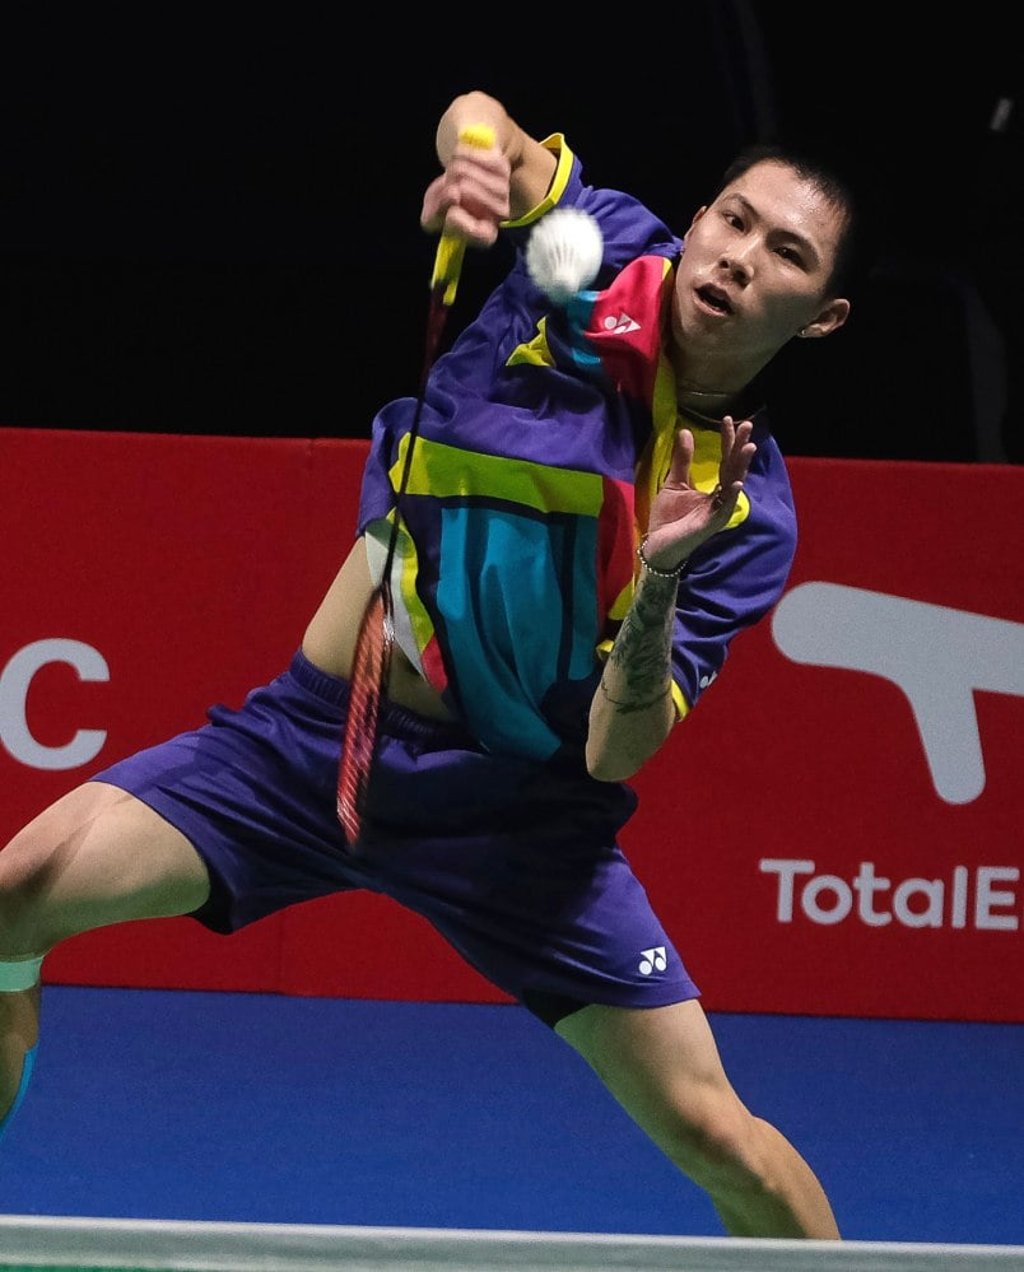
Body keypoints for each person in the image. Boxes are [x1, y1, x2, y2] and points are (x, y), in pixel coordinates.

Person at [0, 89, 857, 1239]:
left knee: (715, 1137)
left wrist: (657, 573)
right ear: (697, 220)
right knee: (11, 902)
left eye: (786, 254)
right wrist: (475, 167)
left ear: (821, 317)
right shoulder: (598, 242)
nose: (744, 260)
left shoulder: (747, 514)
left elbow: (616, 748)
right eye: (736, 223)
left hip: (518, 822)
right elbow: (483, 118)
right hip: (308, 751)